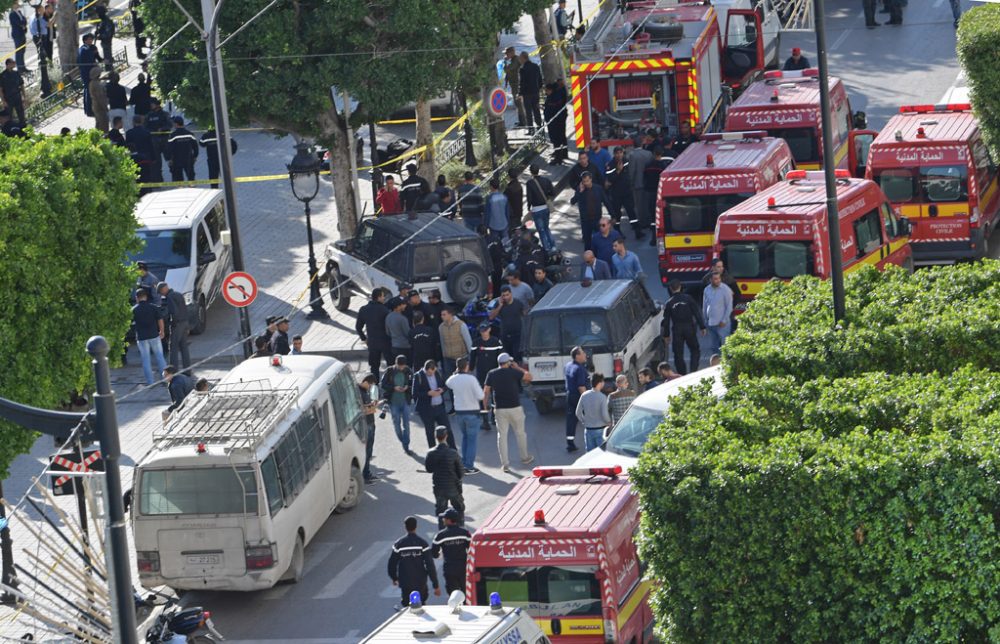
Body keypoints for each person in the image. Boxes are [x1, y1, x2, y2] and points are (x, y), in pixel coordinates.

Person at [483, 353, 534, 473]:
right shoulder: (513, 372)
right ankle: (525, 457)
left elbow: (486, 391)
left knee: (502, 436)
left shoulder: (492, 373)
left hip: (500, 409)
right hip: (515, 407)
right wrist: (517, 367)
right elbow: (529, 377)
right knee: (520, 433)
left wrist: (485, 406)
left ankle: (505, 464)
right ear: (508, 362)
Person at [387, 516, 440, 609]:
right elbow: (430, 565)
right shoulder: (422, 544)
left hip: (405, 582)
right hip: (420, 582)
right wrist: (435, 585)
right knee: (421, 605)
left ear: (405, 527)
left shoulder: (399, 544)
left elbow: (392, 563)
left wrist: (394, 578)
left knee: (407, 606)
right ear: (416, 527)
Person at [445, 357, 484, 473]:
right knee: (472, 440)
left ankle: (464, 462)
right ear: (466, 366)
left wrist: (455, 373)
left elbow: (447, 383)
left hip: (459, 413)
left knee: (465, 438)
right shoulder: (471, 379)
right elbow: (481, 396)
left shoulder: (453, 379)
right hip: (472, 412)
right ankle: (469, 466)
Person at [662, 279, 706, 375]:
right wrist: (702, 327)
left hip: (677, 329)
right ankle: (693, 370)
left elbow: (666, 320)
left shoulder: (669, 303)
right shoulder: (688, 298)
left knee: (678, 353)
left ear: (671, 289)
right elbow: (697, 312)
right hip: (689, 327)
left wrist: (666, 335)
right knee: (695, 349)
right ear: (680, 287)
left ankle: (682, 374)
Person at [425, 425, 464, 527]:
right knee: (459, 508)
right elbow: (461, 472)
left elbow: (429, 469)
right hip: (453, 487)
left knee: (441, 511)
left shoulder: (431, 453)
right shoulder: (453, 453)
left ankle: (442, 531)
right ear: (446, 436)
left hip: (439, 487)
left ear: (436, 437)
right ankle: (460, 529)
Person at [413, 360, 454, 449]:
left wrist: (442, 390)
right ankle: (433, 452)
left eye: (433, 372)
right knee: (430, 432)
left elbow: (444, 385)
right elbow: (415, 394)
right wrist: (428, 393)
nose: (432, 374)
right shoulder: (418, 376)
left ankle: (453, 450)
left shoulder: (437, 373)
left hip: (440, 407)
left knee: (447, 430)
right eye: (429, 373)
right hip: (427, 410)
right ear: (425, 369)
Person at [431, 508, 472, 594]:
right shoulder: (465, 533)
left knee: (453, 595)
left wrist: (439, 554)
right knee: (466, 593)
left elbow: (434, 553)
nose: (443, 520)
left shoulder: (440, 535)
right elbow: (471, 549)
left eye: (444, 518)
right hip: (463, 568)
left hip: (449, 570)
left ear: (449, 520)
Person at [604, 147, 641, 239]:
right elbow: (610, 179)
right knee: (617, 214)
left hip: (627, 192)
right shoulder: (610, 165)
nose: (619, 155)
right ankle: (617, 232)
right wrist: (618, 171)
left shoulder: (626, 161)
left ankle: (637, 231)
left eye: (621, 153)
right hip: (616, 194)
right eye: (617, 153)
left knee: (631, 211)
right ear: (614, 154)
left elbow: (631, 172)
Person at [380, 355, 414, 454]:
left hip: (405, 401)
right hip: (393, 402)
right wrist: (394, 387)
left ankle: (406, 445)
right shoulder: (390, 371)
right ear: (396, 363)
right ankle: (403, 440)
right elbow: (383, 384)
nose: (401, 368)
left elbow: (413, 382)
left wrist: (407, 386)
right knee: (396, 423)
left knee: (406, 424)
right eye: (399, 366)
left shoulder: (408, 371)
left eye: (402, 366)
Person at [132, 291, 167, 385]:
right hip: (154, 335)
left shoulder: (134, 310)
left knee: (146, 360)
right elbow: (160, 320)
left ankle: (150, 382)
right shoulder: (153, 307)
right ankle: (165, 380)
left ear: (137, 298)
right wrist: (162, 331)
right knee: (160, 357)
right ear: (146, 297)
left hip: (142, 338)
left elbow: (130, 323)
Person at [357, 288, 391, 376]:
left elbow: (358, 327)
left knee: (374, 367)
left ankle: (375, 386)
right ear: (379, 297)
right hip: (385, 342)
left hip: (372, 343)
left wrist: (364, 338)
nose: (384, 298)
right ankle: (390, 385)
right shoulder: (384, 310)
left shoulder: (364, 309)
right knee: (391, 365)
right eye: (383, 296)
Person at [157, 282, 191, 370]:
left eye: (161, 292)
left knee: (173, 348)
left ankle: (173, 371)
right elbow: (185, 309)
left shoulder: (170, 297)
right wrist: (187, 325)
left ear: (164, 289)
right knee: (184, 348)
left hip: (177, 324)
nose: (161, 295)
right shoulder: (179, 294)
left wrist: (172, 323)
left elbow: (174, 312)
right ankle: (187, 370)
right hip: (184, 322)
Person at [488, 286, 526, 363]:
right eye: (503, 295)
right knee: (507, 357)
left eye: (507, 295)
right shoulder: (499, 304)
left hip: (517, 335)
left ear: (511, 294)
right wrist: (500, 306)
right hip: (505, 336)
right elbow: (491, 317)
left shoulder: (518, 303)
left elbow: (525, 314)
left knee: (517, 357)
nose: (505, 297)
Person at [571, 172, 607, 251]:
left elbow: (606, 201)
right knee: (587, 242)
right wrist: (580, 192)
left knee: (599, 239)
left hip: (597, 219)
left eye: (587, 181)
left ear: (591, 179)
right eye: (584, 181)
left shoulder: (598, 188)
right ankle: (588, 258)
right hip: (586, 220)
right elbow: (572, 201)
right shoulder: (580, 190)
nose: (586, 183)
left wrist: (613, 215)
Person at [525, 164, 556, 251]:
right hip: (546, 207)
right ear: (539, 170)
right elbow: (553, 192)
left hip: (536, 209)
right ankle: (553, 246)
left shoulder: (529, 183)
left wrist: (528, 207)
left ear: (531, 172)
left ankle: (546, 249)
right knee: (546, 228)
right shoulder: (546, 180)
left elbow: (529, 197)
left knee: (541, 230)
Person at [577, 373, 610, 451]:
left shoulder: (584, 395)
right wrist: (609, 422)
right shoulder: (602, 397)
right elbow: (604, 414)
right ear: (599, 383)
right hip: (600, 430)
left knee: (590, 455)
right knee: (601, 454)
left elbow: (578, 412)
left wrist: (584, 421)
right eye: (603, 381)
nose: (604, 383)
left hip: (588, 430)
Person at [564, 346, 589, 452]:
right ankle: (594, 440)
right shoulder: (580, 369)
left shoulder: (568, 366)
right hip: (579, 396)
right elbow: (581, 387)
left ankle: (570, 443)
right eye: (583, 353)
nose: (585, 355)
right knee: (589, 417)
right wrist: (587, 401)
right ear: (577, 356)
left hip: (570, 395)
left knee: (571, 420)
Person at [703, 272, 733, 356]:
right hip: (711, 323)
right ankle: (715, 365)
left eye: (719, 278)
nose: (718, 280)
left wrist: (724, 320)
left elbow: (729, 306)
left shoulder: (725, 289)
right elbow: (705, 305)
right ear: (710, 280)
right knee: (714, 347)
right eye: (715, 279)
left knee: (725, 345)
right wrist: (705, 319)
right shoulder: (707, 290)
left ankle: (726, 364)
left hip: (722, 324)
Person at [438, 307, 472, 382]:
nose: (442, 316)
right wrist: (444, 356)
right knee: (450, 381)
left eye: (444, 315)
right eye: (441, 315)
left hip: (461, 358)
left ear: (450, 315)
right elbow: (442, 343)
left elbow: (468, 341)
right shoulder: (441, 327)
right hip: (448, 359)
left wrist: (471, 358)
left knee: (463, 381)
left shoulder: (461, 325)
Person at [643, 146, 668, 242]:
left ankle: (653, 237)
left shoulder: (648, 165)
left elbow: (644, 177)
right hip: (659, 193)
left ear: (653, 154)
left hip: (649, 192)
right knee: (660, 215)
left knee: (652, 215)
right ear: (661, 155)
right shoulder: (662, 166)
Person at [359, 373, 380, 483]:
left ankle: (366, 473)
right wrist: (372, 407)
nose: (371, 387)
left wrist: (373, 404)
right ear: (366, 382)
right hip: (366, 425)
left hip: (370, 423)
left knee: (369, 451)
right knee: (366, 451)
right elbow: (360, 410)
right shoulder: (359, 392)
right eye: (371, 385)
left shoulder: (365, 391)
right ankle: (365, 474)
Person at [471, 322, 503, 390]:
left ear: (489, 329)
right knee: (481, 390)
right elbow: (472, 357)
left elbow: (501, 355)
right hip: (481, 371)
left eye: (485, 330)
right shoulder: (476, 342)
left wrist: (502, 369)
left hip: (494, 370)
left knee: (494, 390)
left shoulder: (496, 341)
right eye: (482, 331)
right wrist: (471, 367)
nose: (484, 333)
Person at [543, 82, 569, 165]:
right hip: (557, 122)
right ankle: (563, 154)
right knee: (561, 138)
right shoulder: (556, 96)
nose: (546, 92)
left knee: (556, 140)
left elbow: (551, 109)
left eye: (546, 90)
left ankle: (558, 158)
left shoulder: (553, 98)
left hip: (555, 123)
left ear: (550, 90)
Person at [167, 116, 199, 182]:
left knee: (179, 179)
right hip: (188, 158)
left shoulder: (173, 135)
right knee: (191, 177)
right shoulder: (190, 134)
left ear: (176, 124)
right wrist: (195, 156)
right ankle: (192, 189)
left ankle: (180, 190)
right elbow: (195, 146)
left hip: (177, 159)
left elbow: (169, 148)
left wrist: (169, 159)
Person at [518, 52, 543, 132]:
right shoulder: (535, 66)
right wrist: (538, 88)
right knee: (536, 110)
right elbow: (540, 79)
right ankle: (539, 127)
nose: (520, 60)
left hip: (527, 94)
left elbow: (522, 82)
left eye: (520, 58)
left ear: (524, 58)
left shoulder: (523, 69)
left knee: (528, 112)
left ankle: (531, 129)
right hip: (535, 92)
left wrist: (520, 93)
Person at [77, 34, 102, 117]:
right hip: (87, 74)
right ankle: (89, 111)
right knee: (89, 92)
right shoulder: (84, 50)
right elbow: (90, 61)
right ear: (84, 41)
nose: (90, 41)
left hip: (90, 73)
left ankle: (89, 110)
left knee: (89, 91)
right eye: (89, 39)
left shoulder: (90, 48)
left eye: (91, 39)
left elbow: (97, 58)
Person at [408, 312, 437, 377]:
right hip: (429, 357)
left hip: (417, 358)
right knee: (431, 376)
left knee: (418, 377)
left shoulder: (411, 332)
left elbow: (410, 345)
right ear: (422, 319)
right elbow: (434, 344)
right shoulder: (430, 330)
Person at [385, 297, 412, 366]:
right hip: (405, 347)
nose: (404, 305)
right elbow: (408, 333)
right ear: (398, 306)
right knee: (407, 368)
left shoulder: (388, 317)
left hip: (394, 346)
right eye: (402, 304)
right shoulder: (402, 319)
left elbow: (388, 332)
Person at [503, 47, 526, 127]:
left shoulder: (516, 60)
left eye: (507, 53)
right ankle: (521, 120)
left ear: (512, 53)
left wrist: (505, 62)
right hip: (514, 85)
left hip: (517, 85)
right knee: (517, 103)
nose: (506, 55)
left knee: (518, 103)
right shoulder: (513, 60)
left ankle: (523, 121)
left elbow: (508, 70)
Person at [0, 58, 26, 127]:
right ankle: (11, 130)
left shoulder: (16, 73)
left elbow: (21, 85)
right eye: (13, 63)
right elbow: (1, 89)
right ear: (8, 64)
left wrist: (24, 96)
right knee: (9, 117)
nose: (14, 64)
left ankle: (23, 129)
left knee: (21, 115)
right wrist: (3, 101)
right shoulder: (2, 75)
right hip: (8, 99)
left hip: (17, 97)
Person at [484, 178, 510, 244]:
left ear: (491, 187)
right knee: (506, 243)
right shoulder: (504, 197)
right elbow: (507, 212)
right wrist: (508, 222)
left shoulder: (489, 198)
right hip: (504, 223)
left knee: (495, 243)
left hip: (493, 224)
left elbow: (487, 213)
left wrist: (486, 225)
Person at [8, 3, 28, 72]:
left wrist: (23, 23)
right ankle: (20, 68)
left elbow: (24, 20)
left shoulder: (19, 12)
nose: (18, 4)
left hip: (22, 33)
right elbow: (18, 22)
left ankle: (23, 67)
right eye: (16, 3)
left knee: (22, 51)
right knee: (19, 51)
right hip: (17, 35)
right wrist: (22, 23)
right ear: (13, 5)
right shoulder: (12, 14)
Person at [88, 67, 109, 132]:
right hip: (100, 107)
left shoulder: (91, 83)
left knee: (98, 122)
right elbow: (100, 97)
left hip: (95, 105)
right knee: (103, 124)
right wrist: (105, 107)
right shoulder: (97, 84)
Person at [94, 4, 115, 70]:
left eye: (98, 13)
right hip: (104, 43)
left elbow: (108, 34)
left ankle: (110, 70)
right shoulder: (102, 21)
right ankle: (108, 68)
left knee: (108, 57)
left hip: (107, 43)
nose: (98, 15)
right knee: (106, 57)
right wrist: (98, 31)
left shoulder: (107, 21)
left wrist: (100, 37)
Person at [504, 168, 524, 236]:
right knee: (518, 231)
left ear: (509, 176)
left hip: (512, 214)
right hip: (519, 211)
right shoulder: (519, 186)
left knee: (512, 233)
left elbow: (504, 199)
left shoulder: (509, 189)